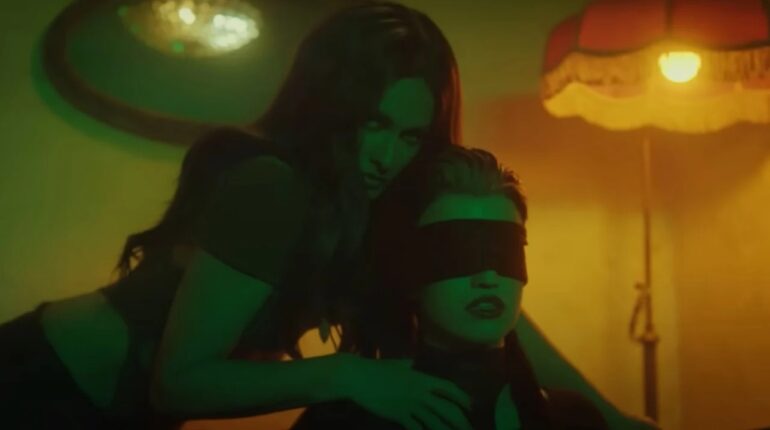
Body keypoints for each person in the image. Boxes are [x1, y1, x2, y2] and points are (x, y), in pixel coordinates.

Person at [0, 1, 655, 429]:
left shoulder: (372, 208)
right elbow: (177, 382)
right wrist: (347, 373)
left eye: (410, 136)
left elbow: (500, 308)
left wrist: (611, 416)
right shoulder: (273, 185)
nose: (386, 156)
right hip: (37, 381)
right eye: (373, 123)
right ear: (331, 106)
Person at [292, 146, 609, 429]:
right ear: (411, 271)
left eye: (505, 251)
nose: (487, 277)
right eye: (457, 253)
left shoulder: (575, 420)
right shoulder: (343, 422)